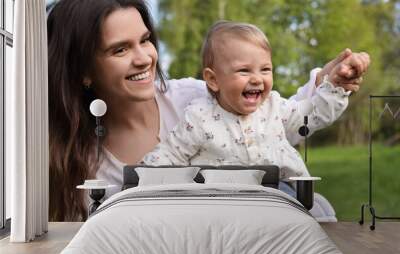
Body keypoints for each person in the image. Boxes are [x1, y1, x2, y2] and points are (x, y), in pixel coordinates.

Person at [47, 0, 370, 221]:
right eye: (120, 49)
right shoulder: (86, 165)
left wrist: (331, 80)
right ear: (84, 72)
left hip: (266, 205)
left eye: (145, 41)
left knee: (319, 211)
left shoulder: (194, 97)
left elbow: (273, 117)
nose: (144, 58)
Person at [142, 20, 348, 183]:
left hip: (280, 192)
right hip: (222, 201)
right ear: (213, 80)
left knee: (304, 216)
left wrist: (336, 87)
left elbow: (312, 114)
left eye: (265, 69)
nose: (257, 78)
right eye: (244, 70)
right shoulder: (199, 117)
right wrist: (141, 178)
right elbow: (171, 153)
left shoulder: (274, 108)